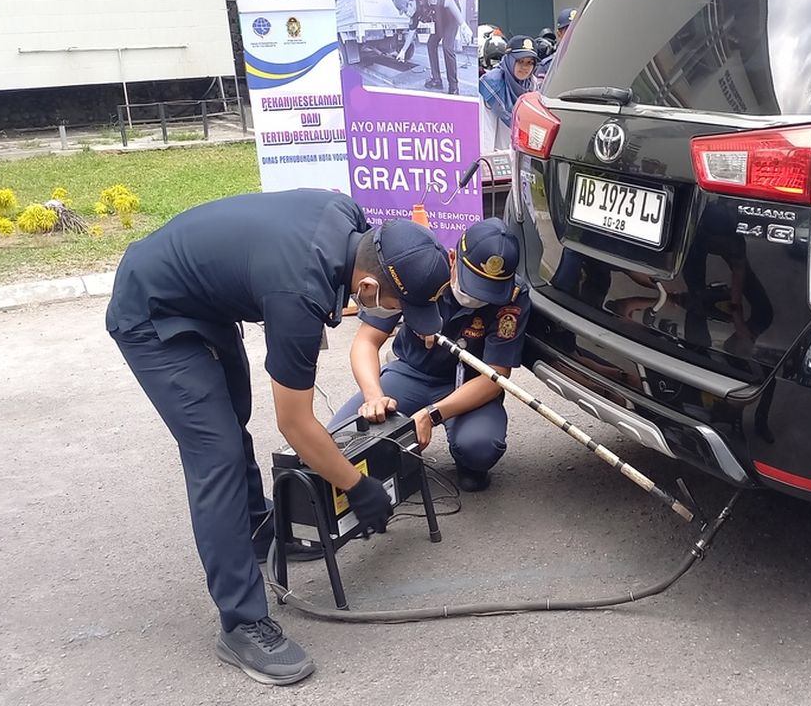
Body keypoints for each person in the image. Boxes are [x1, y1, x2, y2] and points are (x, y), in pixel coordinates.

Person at [106, 191, 451, 687]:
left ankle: (253, 529)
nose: (399, 318)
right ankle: (241, 623)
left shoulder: (348, 219)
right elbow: (296, 423)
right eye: (399, 308)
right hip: (150, 311)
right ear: (370, 286)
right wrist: (356, 486)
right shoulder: (298, 294)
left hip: (201, 298)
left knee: (232, 417)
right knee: (216, 453)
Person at [332, 218, 531, 492]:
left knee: (480, 448)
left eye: (489, 292)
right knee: (341, 440)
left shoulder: (515, 296)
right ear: (453, 259)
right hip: (412, 373)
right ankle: (390, 458)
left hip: (471, 385)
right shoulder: (422, 269)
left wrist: (433, 414)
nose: (478, 297)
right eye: (473, 284)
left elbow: (496, 376)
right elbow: (366, 342)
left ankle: (466, 461)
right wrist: (373, 395)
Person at [392, 0, 469, 95]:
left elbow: (450, 3)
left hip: (452, 15)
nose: (405, 14)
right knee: (431, 44)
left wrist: (463, 25)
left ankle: (454, 86)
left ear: (408, 3)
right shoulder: (414, 15)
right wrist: (403, 51)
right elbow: (411, 33)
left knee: (447, 46)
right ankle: (437, 80)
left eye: (404, 11)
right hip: (440, 20)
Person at [479, 34, 538, 153]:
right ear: (509, 59)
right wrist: (487, 162)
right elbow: (486, 130)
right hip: (498, 157)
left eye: (530, 62)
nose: (525, 67)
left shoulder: (531, 83)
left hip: (522, 157)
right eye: (520, 61)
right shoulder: (491, 84)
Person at [536, 7, 577, 79]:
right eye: (569, 30)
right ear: (559, 34)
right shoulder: (547, 66)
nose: (574, 33)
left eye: (577, 28)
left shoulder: (594, 59)